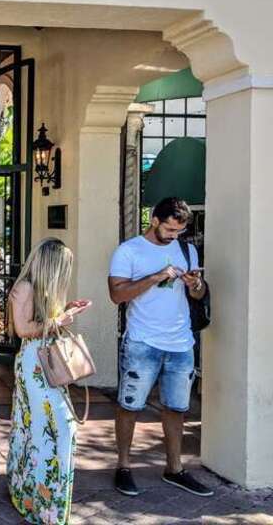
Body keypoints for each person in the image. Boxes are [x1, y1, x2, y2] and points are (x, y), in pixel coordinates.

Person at [108, 197, 212, 497]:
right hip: (142, 341)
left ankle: (175, 469)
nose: (174, 236)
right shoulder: (129, 251)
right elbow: (117, 295)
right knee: (130, 406)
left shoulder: (186, 249)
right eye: (169, 229)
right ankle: (124, 467)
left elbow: (199, 294)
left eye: (179, 231)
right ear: (154, 219)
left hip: (180, 343)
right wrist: (155, 277)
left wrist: (195, 285)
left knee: (177, 408)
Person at [6, 238, 91, 525]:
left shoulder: (37, 288)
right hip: (34, 363)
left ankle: (35, 494)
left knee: (38, 426)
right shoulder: (24, 287)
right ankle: (43, 501)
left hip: (43, 361)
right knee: (55, 428)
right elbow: (23, 329)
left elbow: (40, 320)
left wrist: (65, 309)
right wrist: (60, 320)